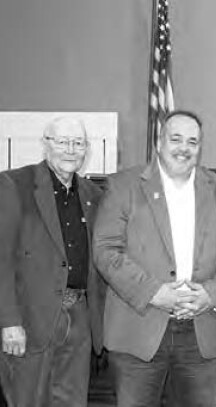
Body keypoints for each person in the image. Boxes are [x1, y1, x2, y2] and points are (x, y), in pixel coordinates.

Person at [93, 110, 216, 407]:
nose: (184, 148)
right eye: (176, 138)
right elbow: (106, 249)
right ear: (159, 141)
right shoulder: (123, 186)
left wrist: (211, 294)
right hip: (138, 329)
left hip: (202, 330)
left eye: (193, 141)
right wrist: (153, 293)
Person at [0, 117, 106, 407]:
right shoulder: (14, 184)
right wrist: (9, 322)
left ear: (86, 150)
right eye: (62, 142)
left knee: (72, 401)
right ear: (46, 144)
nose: (71, 150)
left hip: (80, 316)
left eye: (78, 143)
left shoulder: (93, 195)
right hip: (30, 319)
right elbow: (2, 258)